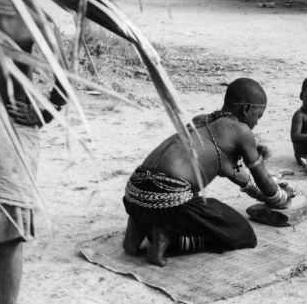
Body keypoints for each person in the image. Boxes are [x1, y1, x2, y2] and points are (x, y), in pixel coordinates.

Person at [123, 78, 295, 267]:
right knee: (241, 232)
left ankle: (136, 231)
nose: (256, 123)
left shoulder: (201, 121)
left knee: (185, 197)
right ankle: (166, 238)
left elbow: (235, 175)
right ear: (246, 109)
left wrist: (252, 188)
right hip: (167, 199)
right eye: (258, 116)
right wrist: (280, 196)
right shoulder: (242, 131)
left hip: (134, 193)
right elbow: (263, 182)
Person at [0, 0, 66, 304]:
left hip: (8, 128)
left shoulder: (26, 10)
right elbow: (64, 82)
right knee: (7, 233)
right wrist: (44, 112)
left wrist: (42, 113)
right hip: (7, 130)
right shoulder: (26, 10)